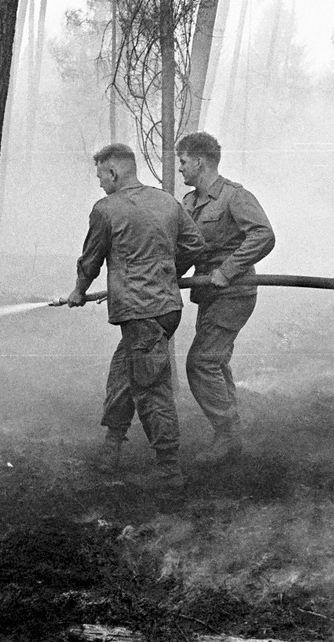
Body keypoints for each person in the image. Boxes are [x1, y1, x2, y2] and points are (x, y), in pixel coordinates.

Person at [68, 143, 206, 488]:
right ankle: (112, 447)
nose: (100, 183)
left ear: (113, 173)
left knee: (150, 388)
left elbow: (90, 261)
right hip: (165, 310)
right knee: (123, 375)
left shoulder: (105, 209)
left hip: (141, 313)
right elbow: (194, 245)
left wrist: (78, 292)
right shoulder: (167, 201)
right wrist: (166, 271)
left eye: (101, 175)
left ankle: (169, 469)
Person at [175, 132, 276, 462]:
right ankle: (232, 438)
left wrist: (228, 269)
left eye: (184, 162)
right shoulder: (189, 203)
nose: (180, 169)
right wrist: (164, 277)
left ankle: (227, 435)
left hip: (234, 292)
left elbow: (263, 235)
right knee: (215, 360)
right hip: (209, 294)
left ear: (200, 162)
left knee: (201, 362)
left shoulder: (235, 196)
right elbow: (188, 248)